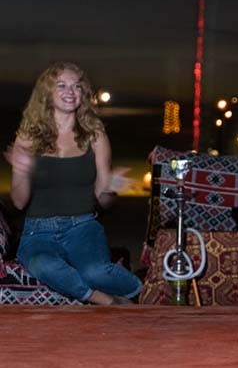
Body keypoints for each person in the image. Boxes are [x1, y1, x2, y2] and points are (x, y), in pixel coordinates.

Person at [4, 62, 142, 305]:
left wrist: (111, 187)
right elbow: (18, 201)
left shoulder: (95, 136)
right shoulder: (27, 137)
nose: (71, 91)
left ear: (84, 94)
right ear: (47, 93)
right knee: (43, 265)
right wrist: (23, 170)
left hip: (83, 227)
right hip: (38, 231)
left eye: (77, 86)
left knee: (95, 272)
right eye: (62, 86)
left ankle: (144, 291)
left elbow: (103, 200)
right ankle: (105, 300)